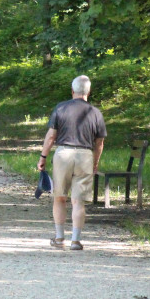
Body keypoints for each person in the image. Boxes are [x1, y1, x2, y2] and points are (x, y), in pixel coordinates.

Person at [37, 75, 106, 251]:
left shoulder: (61, 108)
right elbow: (99, 143)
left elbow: (51, 136)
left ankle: (60, 238)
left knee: (59, 197)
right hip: (85, 155)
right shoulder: (95, 113)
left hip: (63, 154)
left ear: (72, 90)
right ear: (88, 92)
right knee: (78, 200)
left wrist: (43, 157)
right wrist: (95, 163)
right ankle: (76, 240)